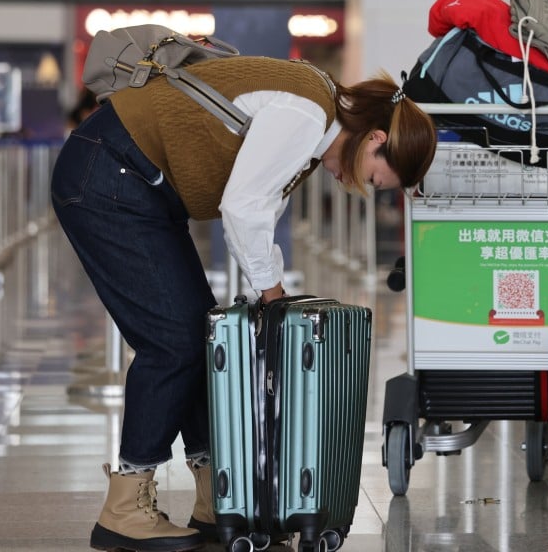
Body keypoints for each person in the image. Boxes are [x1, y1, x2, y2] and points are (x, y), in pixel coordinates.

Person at [50, 55, 437, 552]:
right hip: (110, 176)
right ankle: (125, 505)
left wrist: (265, 292)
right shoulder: (307, 115)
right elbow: (243, 206)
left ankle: (220, 498)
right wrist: (270, 292)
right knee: (173, 342)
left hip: (140, 186)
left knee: (198, 333)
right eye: (377, 178)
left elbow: (255, 212)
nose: (361, 187)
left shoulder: (316, 120)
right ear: (376, 139)